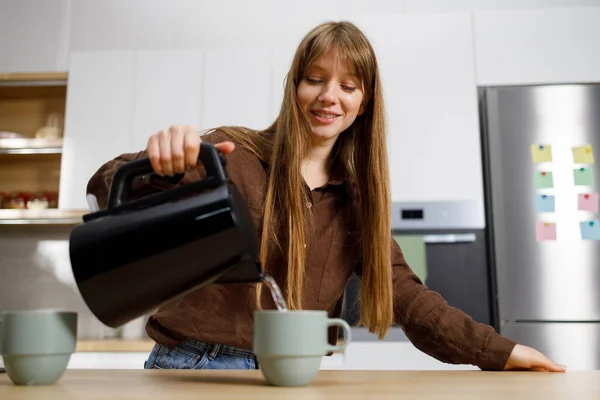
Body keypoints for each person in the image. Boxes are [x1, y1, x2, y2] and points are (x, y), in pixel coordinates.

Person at [87, 21, 565, 372]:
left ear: (364, 104)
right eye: (315, 78)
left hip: (291, 374)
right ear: (294, 86)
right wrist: (158, 166)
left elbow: (411, 300)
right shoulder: (231, 154)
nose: (328, 96)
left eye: (348, 85)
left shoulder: (357, 205)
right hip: (188, 365)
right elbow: (108, 189)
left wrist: (501, 352)